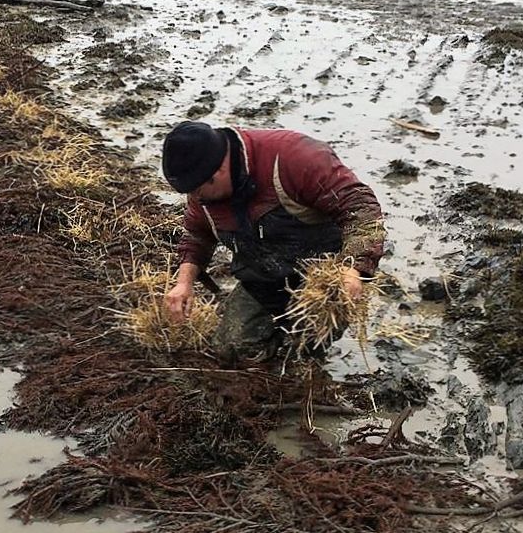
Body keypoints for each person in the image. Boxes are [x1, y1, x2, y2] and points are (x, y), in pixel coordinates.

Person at [162, 121, 385, 361]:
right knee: (231, 351)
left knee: (304, 354)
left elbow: (361, 209)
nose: (193, 198)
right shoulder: (202, 190)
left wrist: (353, 268)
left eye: (196, 190)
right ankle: (275, 344)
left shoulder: (295, 158)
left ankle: (306, 352)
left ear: (218, 172)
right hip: (263, 277)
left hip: (322, 278)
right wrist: (184, 283)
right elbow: (197, 234)